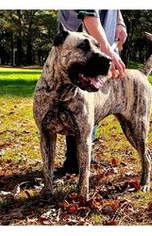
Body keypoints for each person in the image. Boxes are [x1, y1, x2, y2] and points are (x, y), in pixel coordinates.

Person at [57, 10, 128, 174]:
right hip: (81, 46)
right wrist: (107, 52)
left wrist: (120, 24)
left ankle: (84, 156)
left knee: (92, 101)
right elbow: (88, 15)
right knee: (76, 99)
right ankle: (74, 162)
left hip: (101, 45)